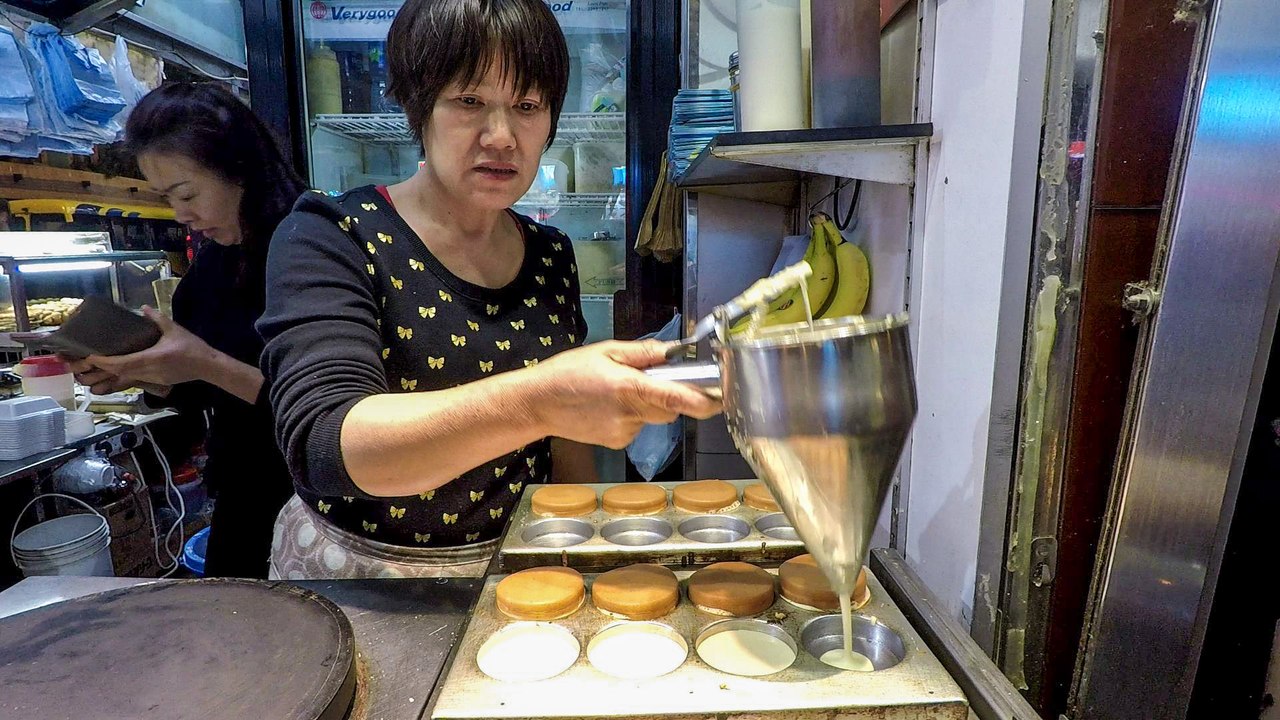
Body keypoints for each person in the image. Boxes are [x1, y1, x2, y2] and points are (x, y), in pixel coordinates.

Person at [258, 0, 720, 580]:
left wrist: (579, 559)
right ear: (416, 103)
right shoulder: (331, 235)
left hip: (510, 570)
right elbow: (326, 446)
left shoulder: (551, 254)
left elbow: (566, 447)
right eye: (470, 101)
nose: (502, 137)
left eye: (526, 106)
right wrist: (540, 399)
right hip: (358, 572)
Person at [68, 83, 303, 578]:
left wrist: (201, 362)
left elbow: (329, 409)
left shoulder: (312, 244)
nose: (182, 216)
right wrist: (141, 372)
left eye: (187, 194)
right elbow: (198, 386)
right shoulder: (214, 262)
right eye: (167, 199)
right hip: (243, 490)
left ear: (238, 169)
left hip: (312, 500)